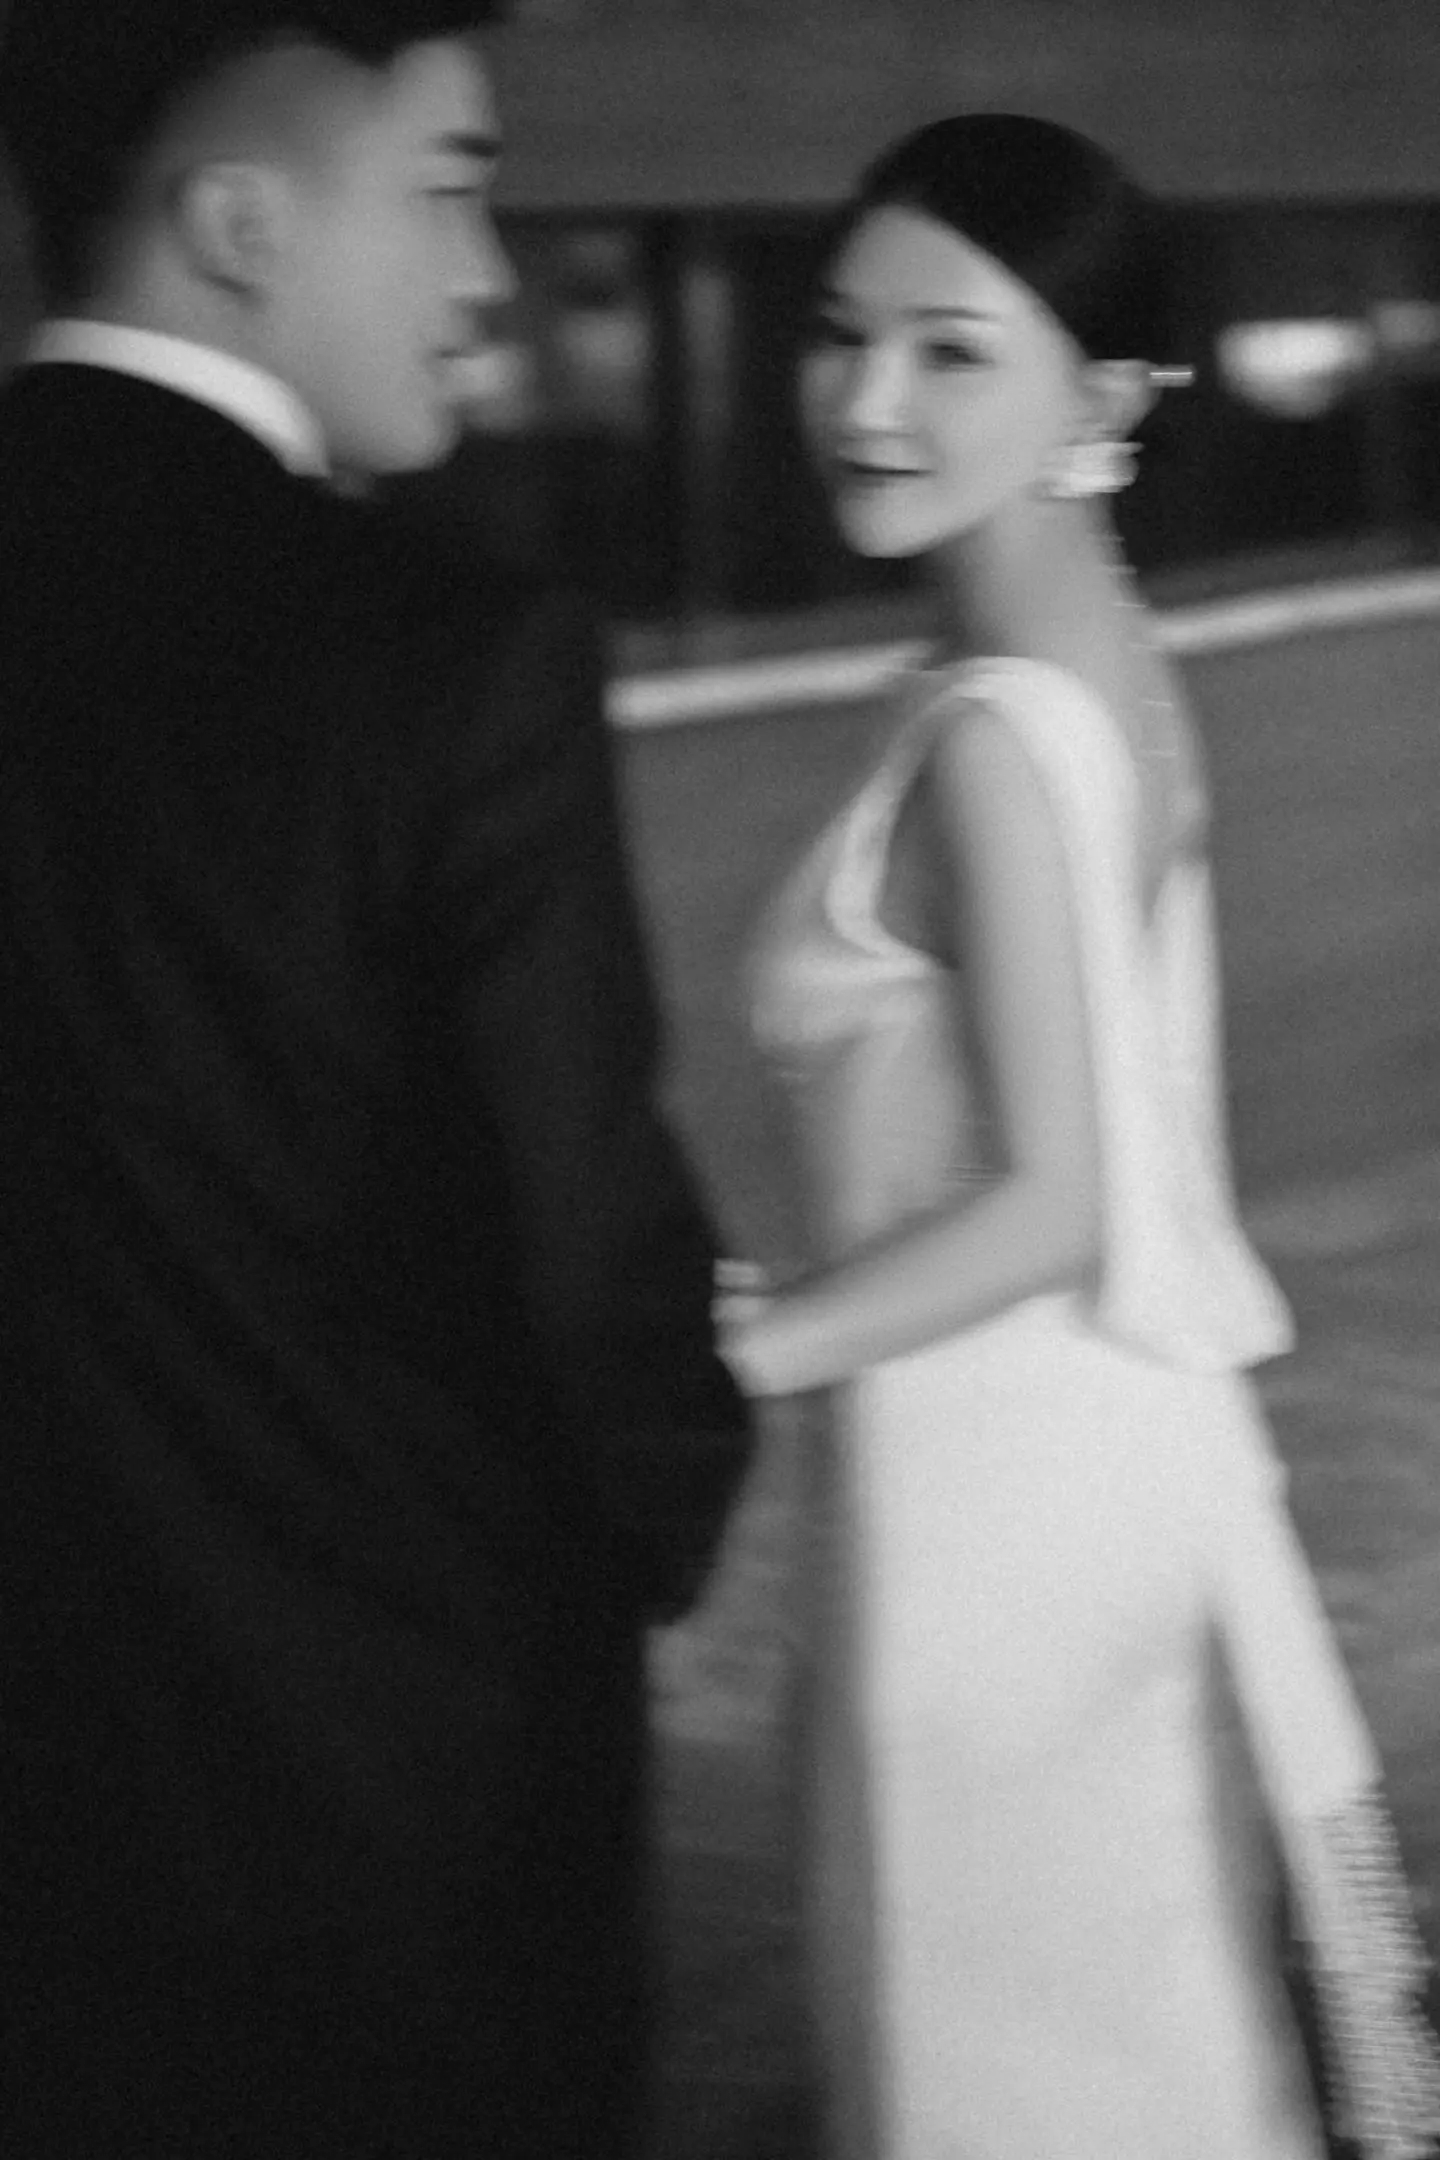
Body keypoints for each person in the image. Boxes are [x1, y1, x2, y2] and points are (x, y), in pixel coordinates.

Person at [0, 6, 754, 2156]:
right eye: (447, 191)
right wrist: (656, 1506)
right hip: (380, 1794)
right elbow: (581, 1244)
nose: (489, 275)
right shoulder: (441, 655)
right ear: (239, 223)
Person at [719, 113, 1440, 2160]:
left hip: (992, 1503)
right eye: (842, 334)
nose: (867, 401)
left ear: (1105, 402)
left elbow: (1055, 1202)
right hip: (1076, 1463)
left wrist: (745, 1343)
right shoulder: (1091, 666)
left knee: (1004, 2070)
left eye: (952, 352)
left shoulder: (1001, 731)